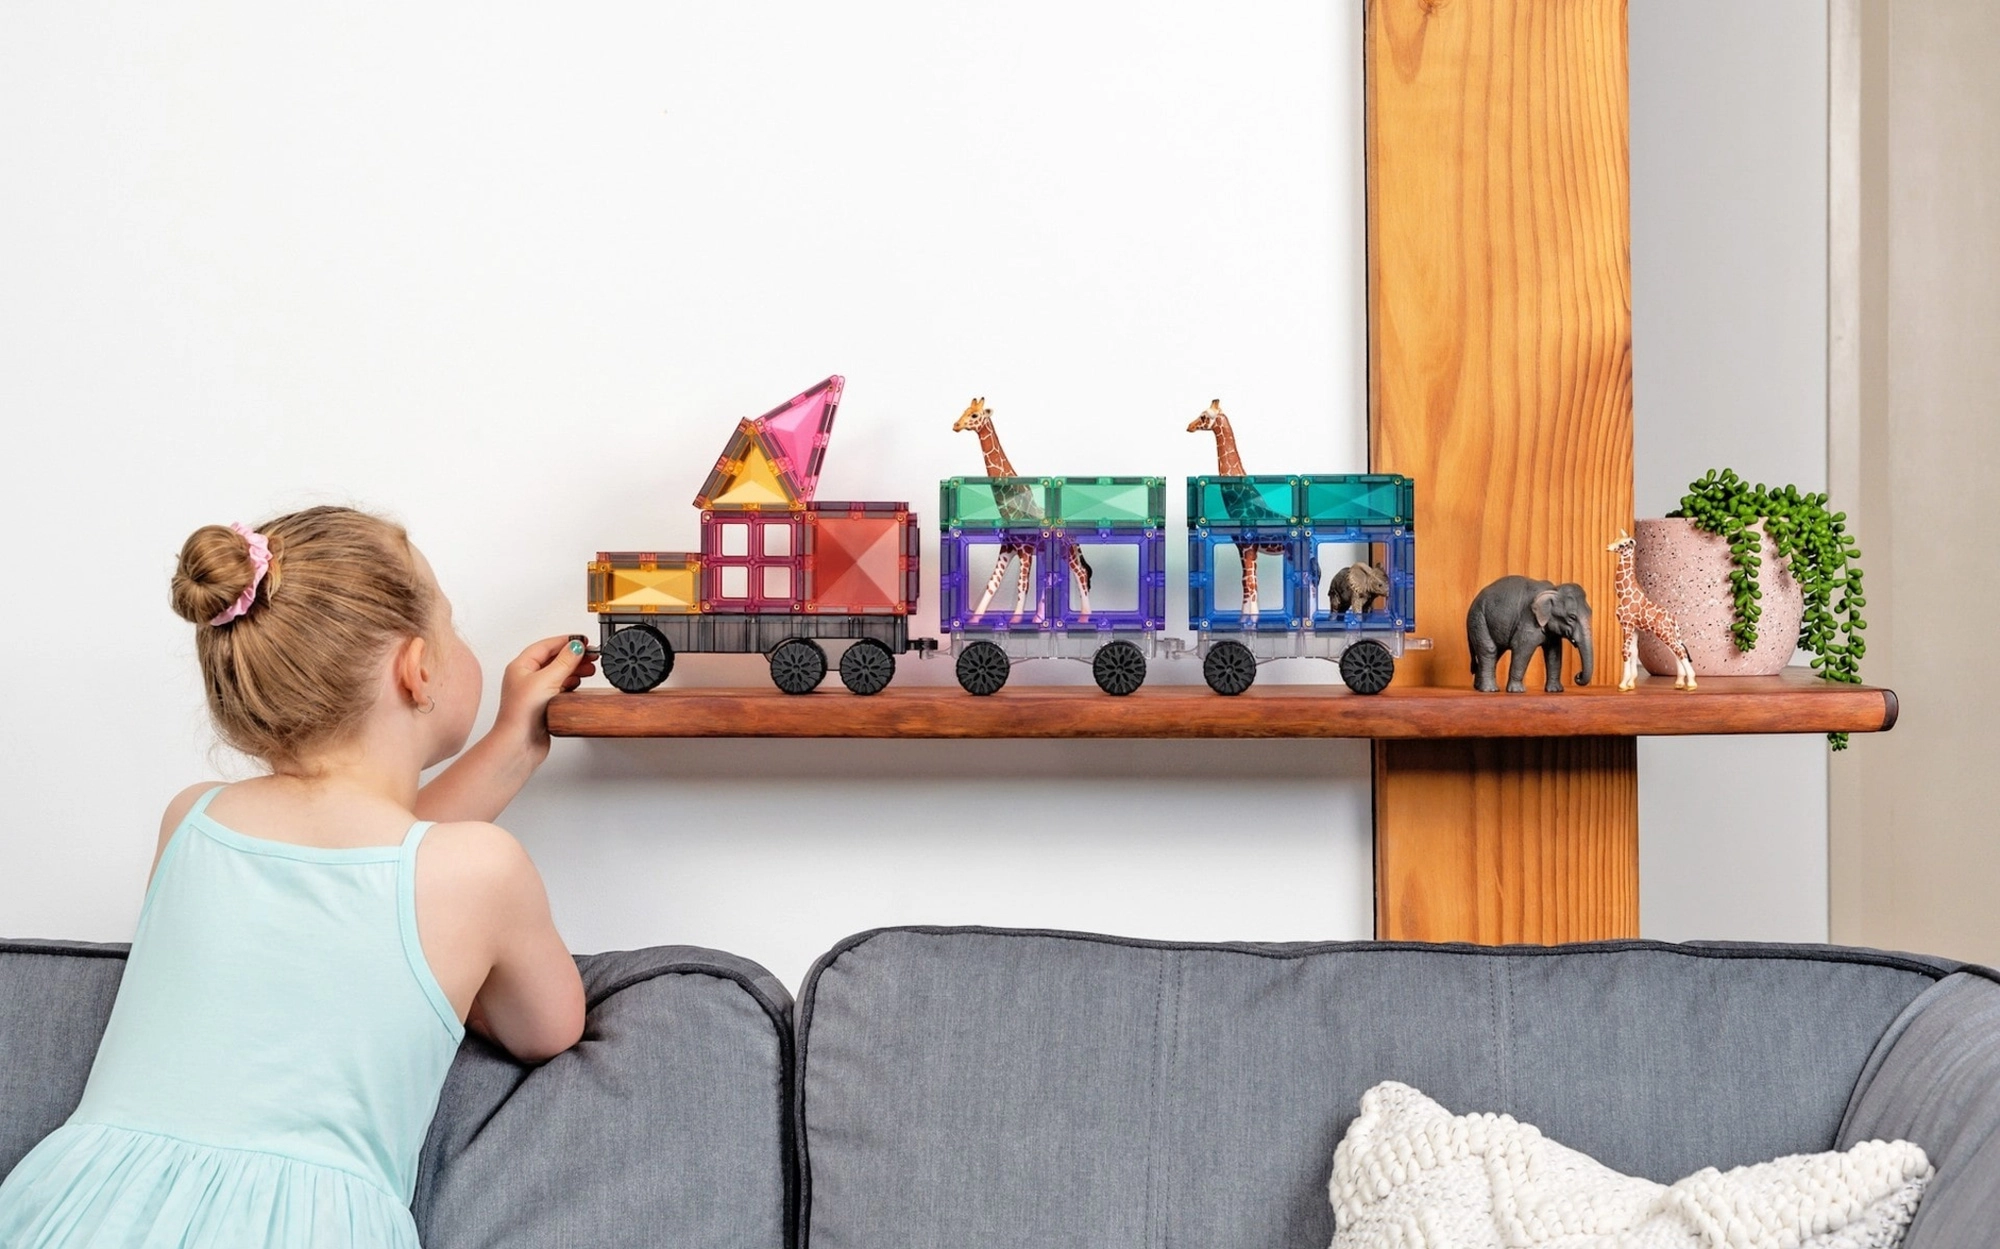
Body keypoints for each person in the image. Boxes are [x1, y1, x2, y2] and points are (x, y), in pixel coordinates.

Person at [0, 506, 592, 1247]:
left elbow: (352, 854)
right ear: (418, 670)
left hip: (78, 1206)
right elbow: (548, 1027)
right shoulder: (482, 870)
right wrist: (511, 743)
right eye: (453, 622)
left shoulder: (191, 820)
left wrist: (511, 745)